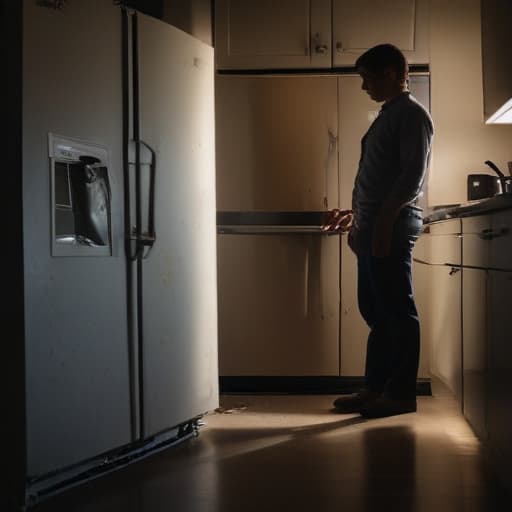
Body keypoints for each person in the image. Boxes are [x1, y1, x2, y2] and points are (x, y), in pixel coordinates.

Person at [323, 44, 434, 418]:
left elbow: (410, 178)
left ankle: (400, 393)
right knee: (376, 310)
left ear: (390, 73)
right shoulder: (389, 115)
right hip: (375, 224)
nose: (363, 86)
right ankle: (376, 387)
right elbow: (383, 176)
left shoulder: (412, 115)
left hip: (393, 224)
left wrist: (383, 221)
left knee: (397, 310)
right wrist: (356, 214)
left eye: (367, 77)